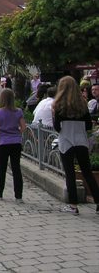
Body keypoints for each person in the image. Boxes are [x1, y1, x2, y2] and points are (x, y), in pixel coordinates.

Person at [53, 76, 99, 215]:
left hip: (66, 141)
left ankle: (73, 206)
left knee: (70, 174)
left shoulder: (58, 106)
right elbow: (88, 126)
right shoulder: (83, 104)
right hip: (81, 141)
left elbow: (57, 127)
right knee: (87, 172)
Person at [0, 88, 26, 202]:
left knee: (2, 168)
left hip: (3, 142)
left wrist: (3, 132)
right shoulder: (18, 111)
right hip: (16, 142)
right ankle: (18, 196)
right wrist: (16, 132)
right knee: (16, 169)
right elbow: (23, 127)